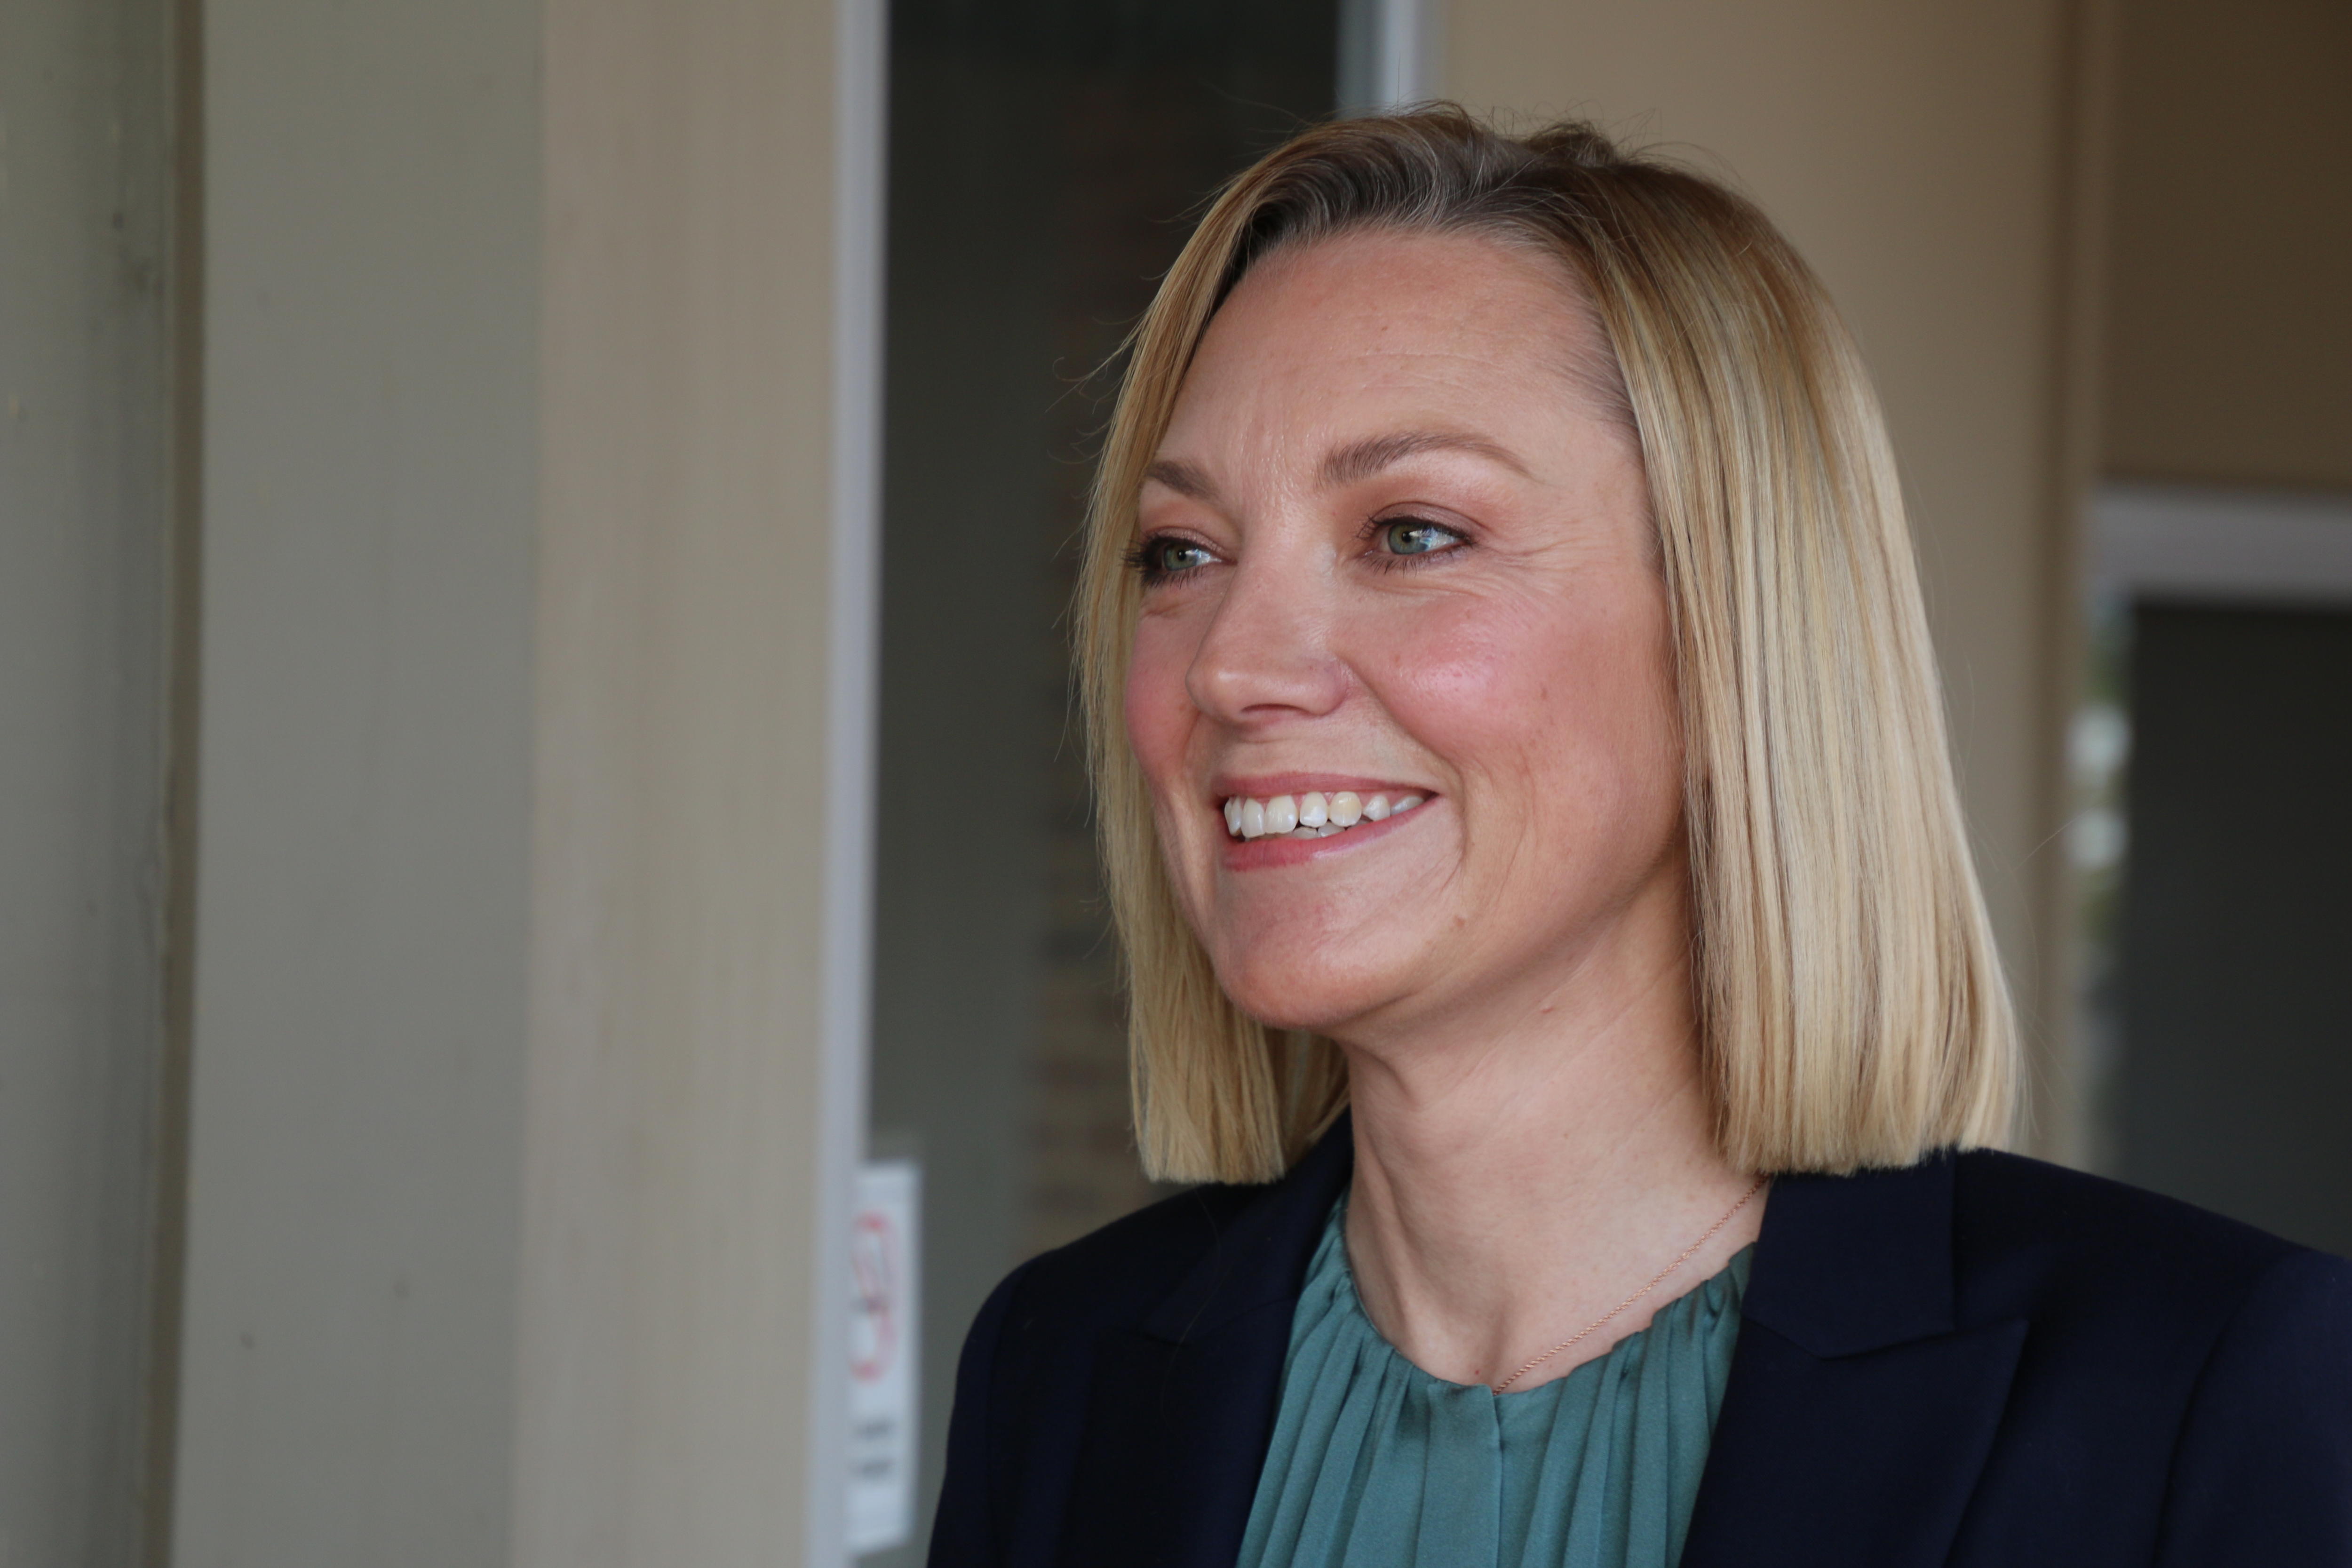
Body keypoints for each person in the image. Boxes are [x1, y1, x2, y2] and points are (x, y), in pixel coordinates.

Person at [926, 109, 2352, 1568]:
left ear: (1732, 634)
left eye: (1411, 533)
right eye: (1183, 553)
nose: (1231, 664)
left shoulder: (2199, 1393)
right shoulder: (1059, 1369)